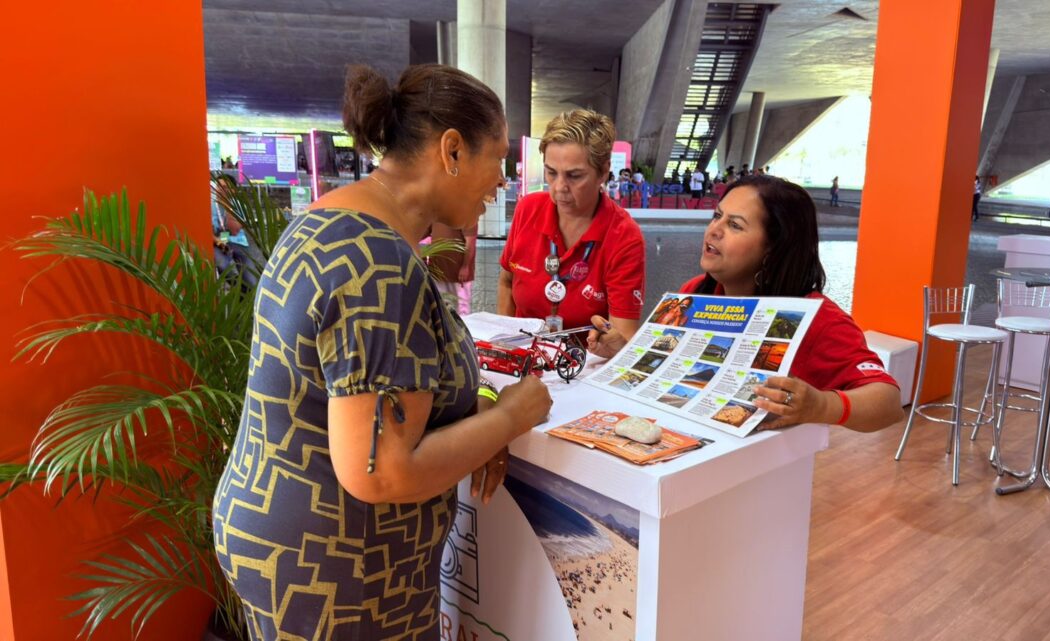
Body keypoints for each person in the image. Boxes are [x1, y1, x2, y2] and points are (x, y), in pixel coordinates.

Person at [212, 63, 553, 641]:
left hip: (283, 544)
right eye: (497, 158)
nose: (502, 181)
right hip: (340, 573)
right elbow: (383, 474)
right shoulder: (380, 266)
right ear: (451, 151)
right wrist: (509, 418)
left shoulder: (328, 219)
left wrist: (476, 420)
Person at [587, 175, 904, 432]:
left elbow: (888, 402)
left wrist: (822, 405)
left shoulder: (817, 318)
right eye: (717, 216)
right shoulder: (694, 293)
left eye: (735, 225)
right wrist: (627, 351)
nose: (714, 229)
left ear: (773, 248)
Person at [498, 108, 646, 340]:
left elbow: (623, 334)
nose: (559, 188)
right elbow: (507, 282)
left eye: (574, 176)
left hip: (582, 368)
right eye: (551, 173)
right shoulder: (528, 209)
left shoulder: (624, 236)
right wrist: (505, 345)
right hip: (525, 359)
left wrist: (610, 344)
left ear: (603, 172)